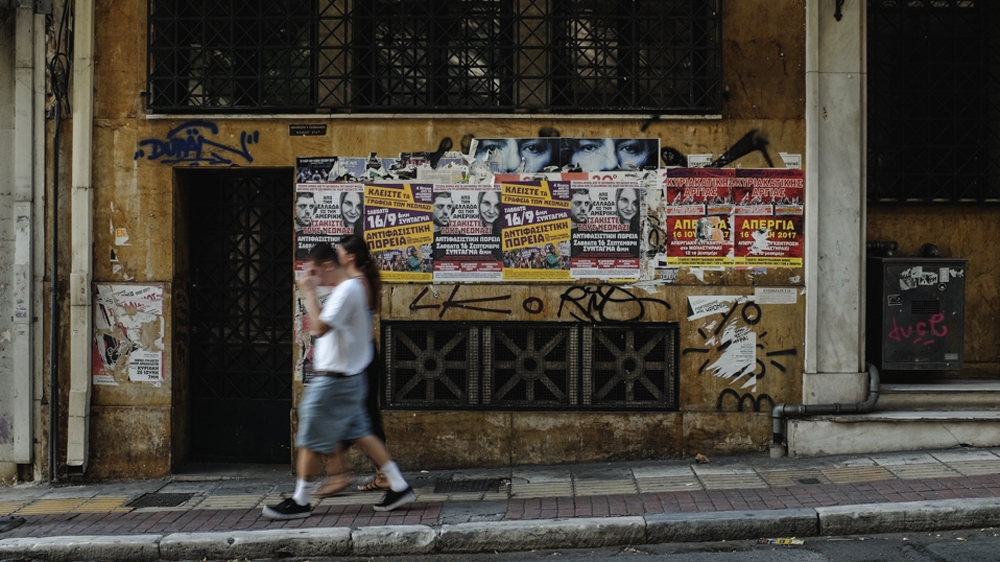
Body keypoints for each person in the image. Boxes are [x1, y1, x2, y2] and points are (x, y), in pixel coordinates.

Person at [263, 239, 415, 520]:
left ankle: (300, 500)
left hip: (335, 379)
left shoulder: (347, 290)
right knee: (362, 432)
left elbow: (320, 327)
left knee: (309, 435)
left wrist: (308, 293)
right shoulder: (352, 287)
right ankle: (399, 484)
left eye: (313, 271)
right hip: (348, 375)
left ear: (327, 265)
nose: (311, 277)